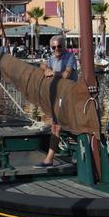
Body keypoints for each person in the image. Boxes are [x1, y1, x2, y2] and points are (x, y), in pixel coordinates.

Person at [35, 34, 78, 168]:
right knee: (54, 127)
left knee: (57, 127)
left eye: (59, 46)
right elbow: (42, 64)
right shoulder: (52, 58)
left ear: (64, 46)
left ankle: (49, 159)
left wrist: (52, 73)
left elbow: (66, 75)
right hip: (58, 97)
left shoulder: (70, 57)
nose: (56, 49)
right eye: (54, 47)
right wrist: (46, 68)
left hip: (69, 97)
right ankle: (50, 158)